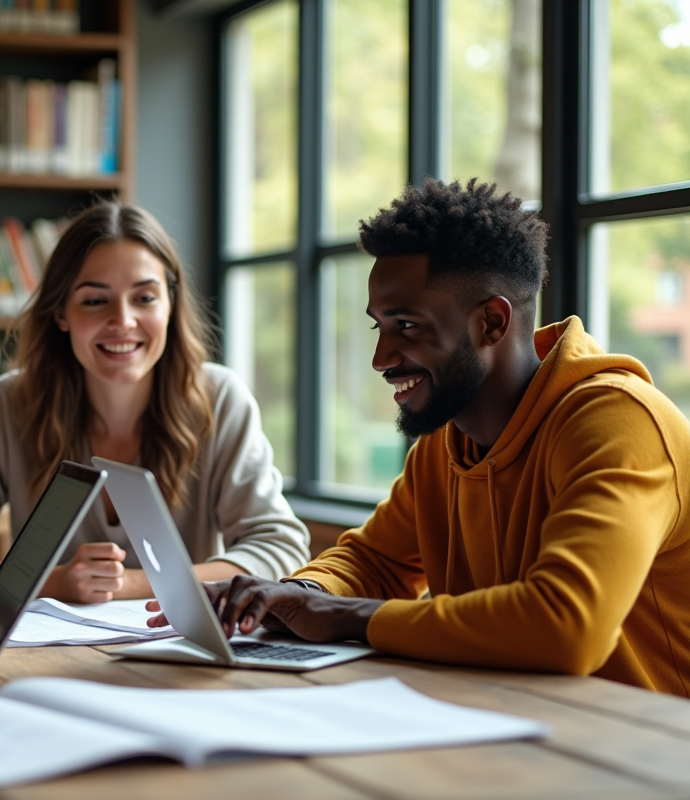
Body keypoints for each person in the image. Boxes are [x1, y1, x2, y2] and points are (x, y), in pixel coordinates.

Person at [155, 178, 690, 696]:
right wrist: (295, 594)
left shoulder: (618, 422)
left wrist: (341, 615)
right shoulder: (448, 432)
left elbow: (567, 626)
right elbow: (376, 562)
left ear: (492, 324)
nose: (381, 358)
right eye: (378, 326)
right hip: (520, 727)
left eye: (406, 327)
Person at [0, 201, 310, 603]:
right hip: (46, 658)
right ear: (61, 313)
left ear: (170, 304)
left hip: (181, 660)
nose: (122, 321)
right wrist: (48, 580)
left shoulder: (220, 399)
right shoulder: (10, 403)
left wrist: (128, 585)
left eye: (145, 298)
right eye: (94, 300)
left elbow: (282, 548)